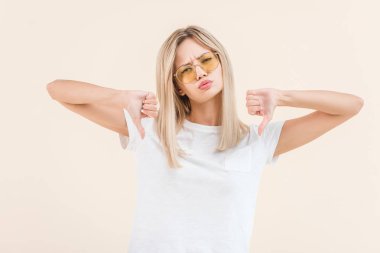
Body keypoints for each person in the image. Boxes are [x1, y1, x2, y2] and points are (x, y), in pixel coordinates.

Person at [46, 25, 364, 253]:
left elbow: (350, 106)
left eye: (206, 61)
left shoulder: (258, 141)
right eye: (186, 70)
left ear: (222, 62)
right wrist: (119, 96)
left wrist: (282, 96)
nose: (199, 73)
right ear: (178, 86)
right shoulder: (150, 132)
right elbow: (58, 91)